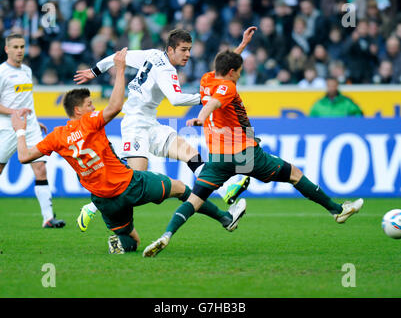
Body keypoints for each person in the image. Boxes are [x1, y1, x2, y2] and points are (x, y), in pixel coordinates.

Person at [11, 48, 246, 254]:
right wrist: (120, 71)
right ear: (78, 110)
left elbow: (24, 156)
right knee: (180, 188)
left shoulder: (56, 137)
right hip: (129, 170)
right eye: (89, 105)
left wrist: (20, 131)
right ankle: (225, 216)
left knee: (133, 240)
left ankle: (224, 192)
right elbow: (120, 105)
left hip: (106, 198)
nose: (93, 107)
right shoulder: (91, 121)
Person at [143, 49, 364, 258]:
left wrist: (241, 46)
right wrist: (201, 117)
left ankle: (166, 235)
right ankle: (337, 210)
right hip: (245, 155)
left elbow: (223, 70)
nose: (239, 75)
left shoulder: (206, 79)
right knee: (294, 174)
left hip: (218, 159)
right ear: (232, 73)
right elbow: (213, 103)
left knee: (194, 201)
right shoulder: (228, 87)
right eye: (238, 72)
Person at [73, 28, 253, 232]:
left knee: (190, 154)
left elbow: (118, 57)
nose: (187, 54)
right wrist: (208, 98)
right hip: (135, 126)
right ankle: (91, 207)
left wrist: (95, 71)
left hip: (150, 123)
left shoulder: (151, 54)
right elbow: (176, 100)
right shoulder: (166, 70)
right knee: (133, 182)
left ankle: (226, 191)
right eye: (183, 50)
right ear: (171, 49)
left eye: (189, 50)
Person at [0, 33, 65, 228]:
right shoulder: (2, 72)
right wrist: (15, 112)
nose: (19, 50)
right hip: (7, 128)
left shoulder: (27, 71)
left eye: (22, 46)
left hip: (30, 127)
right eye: (15, 47)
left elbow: (27, 101)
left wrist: (36, 121)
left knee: (40, 169)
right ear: (7, 49)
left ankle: (48, 218)